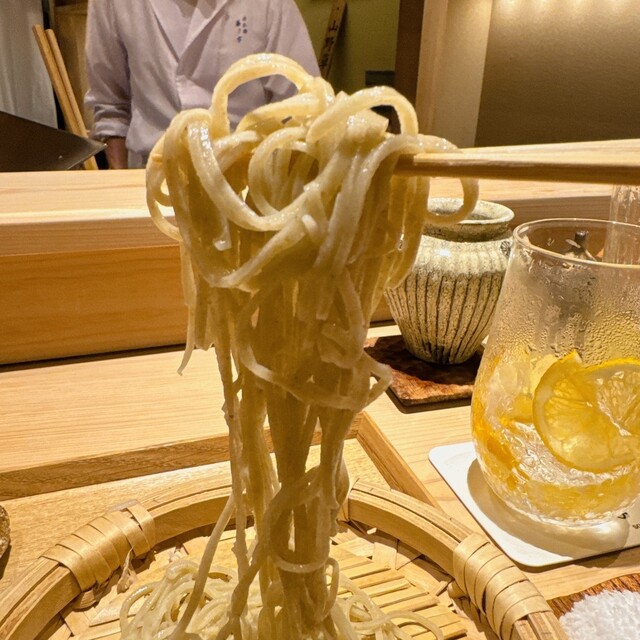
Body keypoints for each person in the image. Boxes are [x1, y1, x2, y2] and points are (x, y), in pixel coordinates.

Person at [85, 0, 320, 169]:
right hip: (149, 173)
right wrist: (119, 182)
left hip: (248, 174)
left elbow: (304, 107)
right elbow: (110, 106)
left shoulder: (272, 5)